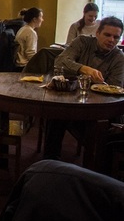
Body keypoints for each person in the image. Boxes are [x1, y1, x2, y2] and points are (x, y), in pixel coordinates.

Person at [44, 16, 124, 160]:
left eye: (116, 37)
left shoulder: (119, 57)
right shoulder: (82, 41)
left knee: (97, 125)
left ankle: (95, 159)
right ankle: (50, 159)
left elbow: (115, 87)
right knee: (57, 111)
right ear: (97, 33)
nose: (111, 40)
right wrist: (83, 68)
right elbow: (60, 61)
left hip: (97, 105)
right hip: (71, 97)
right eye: (107, 35)